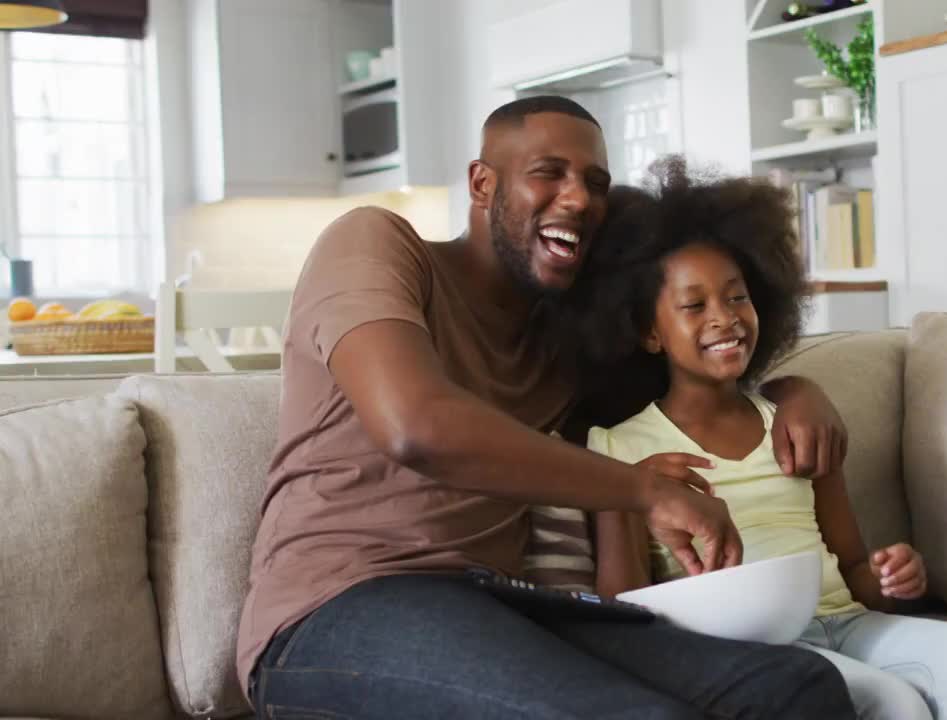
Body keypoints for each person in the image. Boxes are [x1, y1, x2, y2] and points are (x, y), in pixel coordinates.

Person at [235, 97, 859, 719]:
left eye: (595, 182)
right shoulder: (374, 243)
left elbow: (694, 372)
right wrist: (646, 492)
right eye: (548, 172)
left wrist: (793, 390)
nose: (580, 198)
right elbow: (416, 428)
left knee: (797, 688)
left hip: (498, 604)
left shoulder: (562, 344)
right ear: (483, 184)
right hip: (334, 609)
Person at [577, 158, 947, 720]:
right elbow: (621, 609)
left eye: (737, 296)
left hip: (849, 625)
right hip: (749, 649)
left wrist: (892, 579)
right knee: (892, 701)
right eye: (694, 305)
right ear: (649, 332)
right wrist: (630, 498)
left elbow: (854, 570)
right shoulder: (618, 448)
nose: (725, 318)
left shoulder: (795, 423)